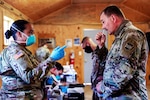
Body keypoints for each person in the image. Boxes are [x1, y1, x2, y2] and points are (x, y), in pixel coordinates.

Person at [0, 20, 66, 100]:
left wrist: (45, 78)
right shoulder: (15, 52)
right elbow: (29, 77)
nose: (32, 35)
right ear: (19, 33)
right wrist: (51, 59)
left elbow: (33, 69)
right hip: (18, 97)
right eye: (30, 32)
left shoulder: (23, 50)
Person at [95, 5, 149, 100]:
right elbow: (110, 66)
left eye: (103, 22)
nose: (103, 27)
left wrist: (103, 88)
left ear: (113, 18)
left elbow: (124, 73)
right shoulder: (121, 37)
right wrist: (101, 46)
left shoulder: (132, 35)